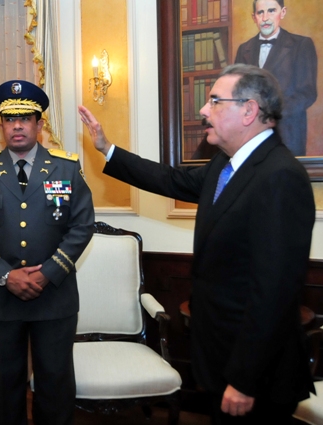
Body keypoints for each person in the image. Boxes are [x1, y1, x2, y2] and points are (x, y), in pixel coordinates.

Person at [79, 64, 315, 424]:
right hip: (222, 356)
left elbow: (275, 293)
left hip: (257, 375)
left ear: (249, 110)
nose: (204, 110)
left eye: (215, 101)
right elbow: (171, 179)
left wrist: (245, 378)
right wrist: (107, 148)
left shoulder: (280, 176)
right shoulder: (226, 165)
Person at [0, 80, 94, 425]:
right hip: (1, 299)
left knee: (55, 384)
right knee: (5, 386)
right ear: (1, 124)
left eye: (25, 118)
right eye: (9, 119)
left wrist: (48, 273)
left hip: (55, 297)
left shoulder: (66, 167)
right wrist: (6, 275)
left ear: (39, 124)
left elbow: (82, 226)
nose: (16, 125)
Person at [234, 0, 317, 156]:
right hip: (250, 135)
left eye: (271, 11)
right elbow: (237, 93)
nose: (265, 18)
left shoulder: (301, 45)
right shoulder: (244, 49)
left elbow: (307, 93)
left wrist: (271, 115)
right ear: (254, 17)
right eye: (260, 12)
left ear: (282, 12)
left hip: (287, 134)